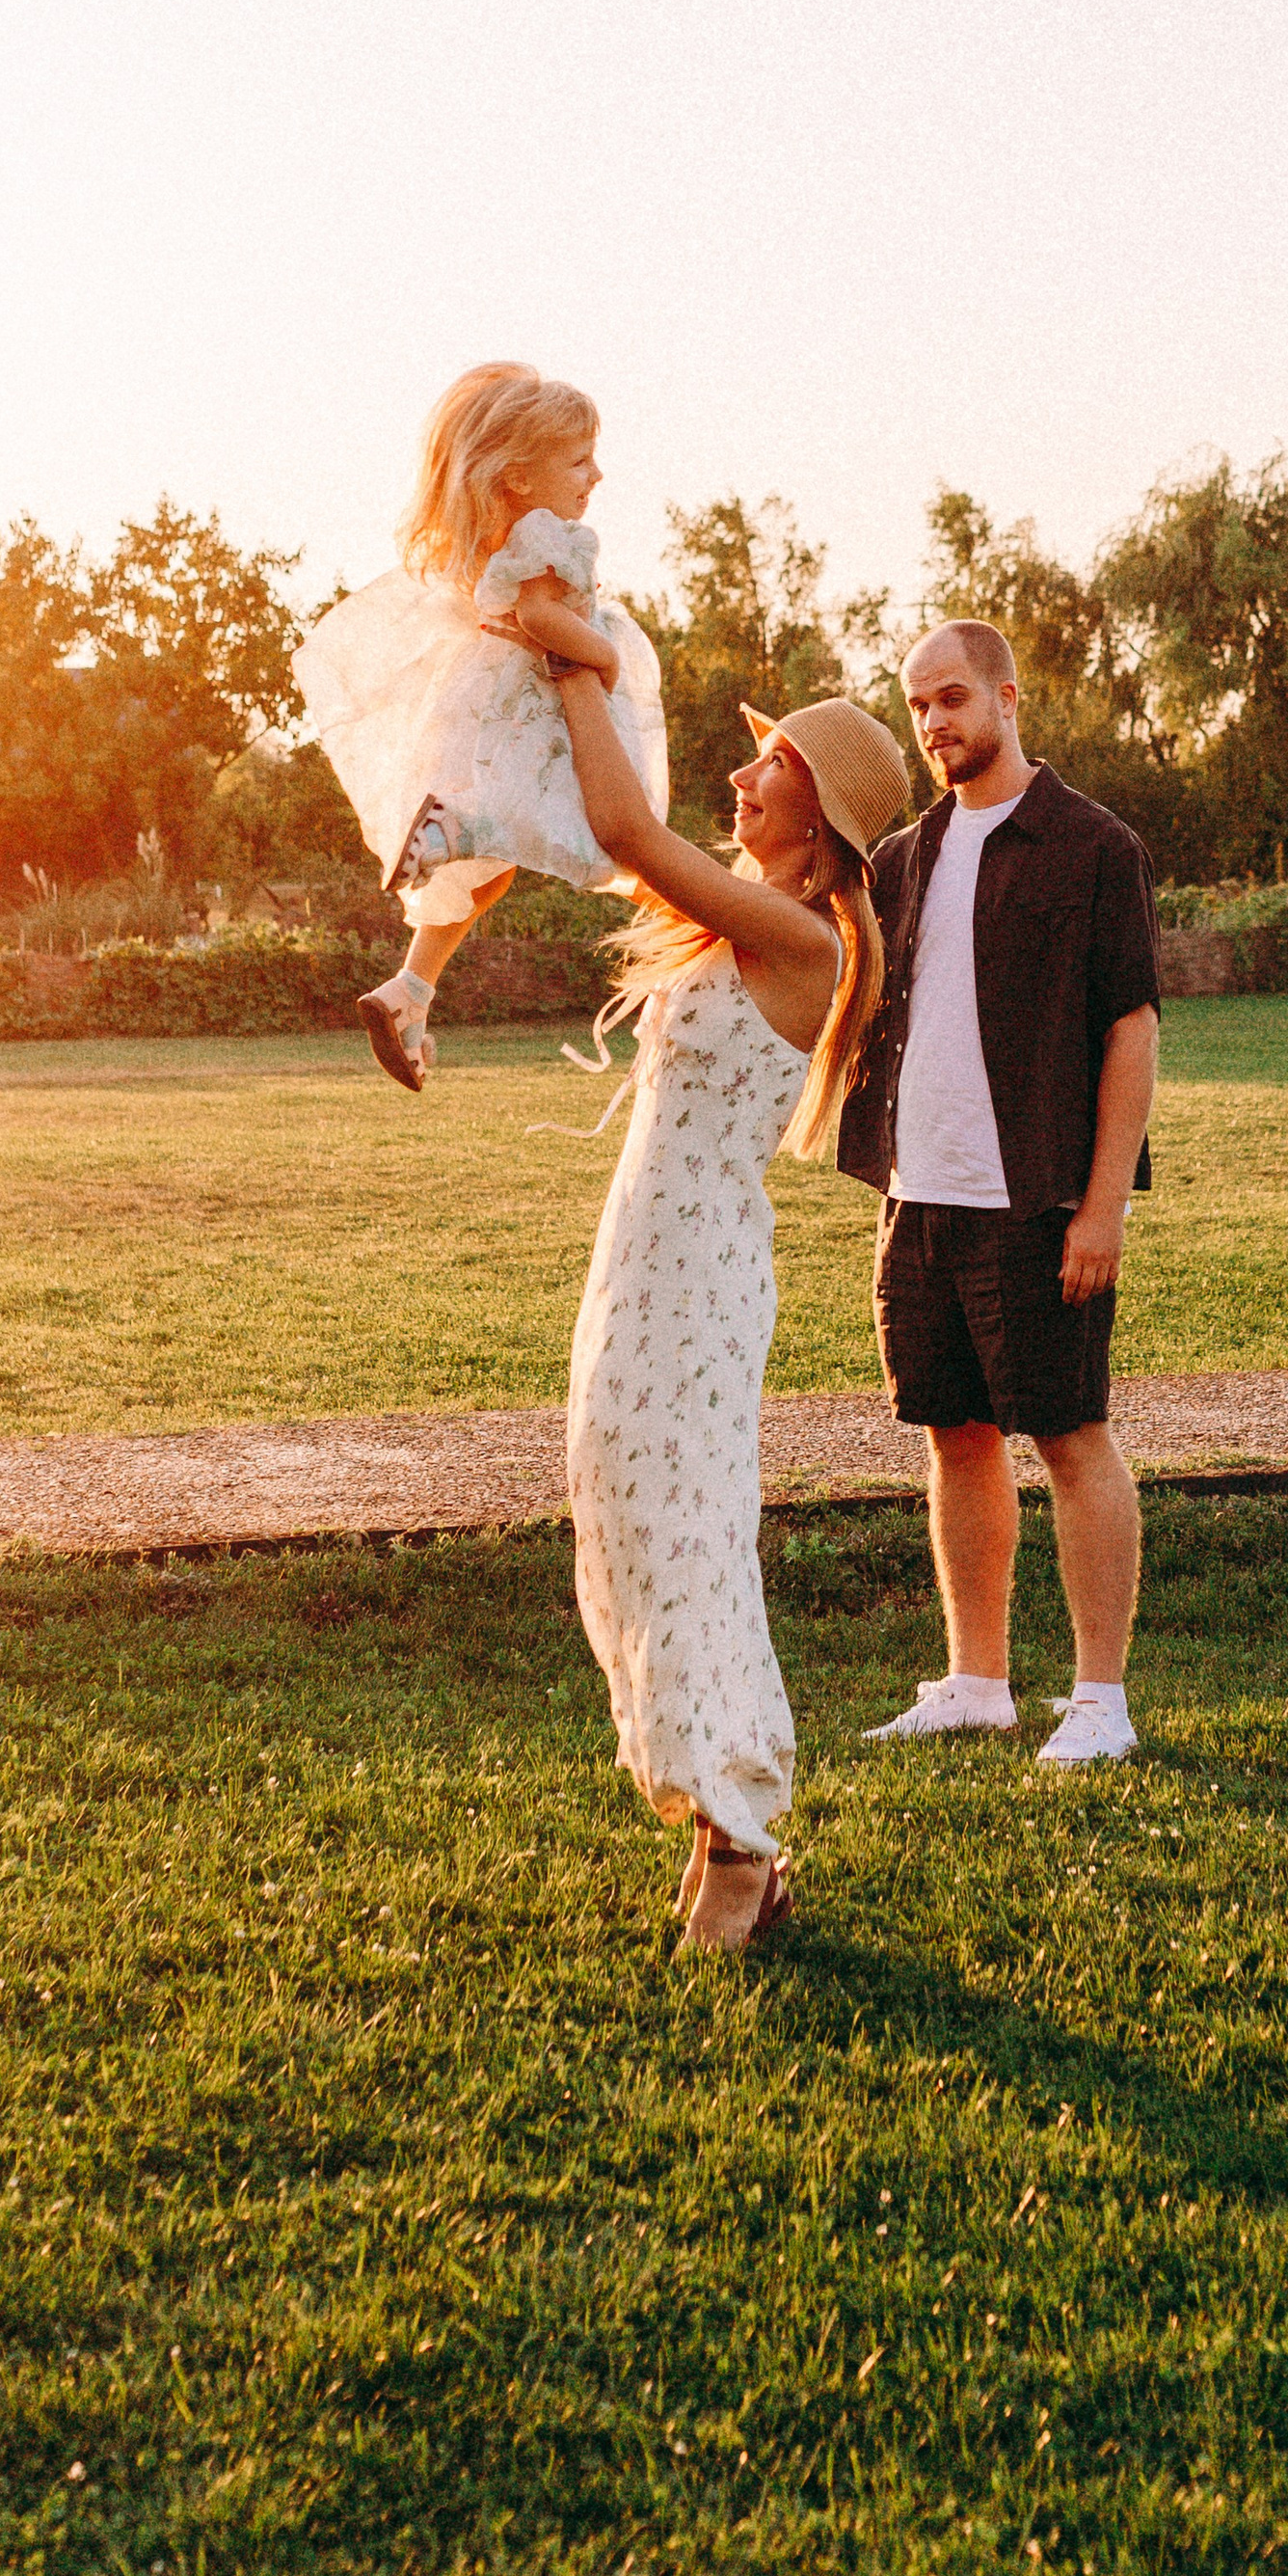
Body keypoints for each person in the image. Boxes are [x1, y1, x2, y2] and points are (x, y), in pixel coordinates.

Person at [552, 659, 912, 1945]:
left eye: (769, 764)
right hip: (640, 1254)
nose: (740, 777)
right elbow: (590, 829)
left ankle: (743, 1835)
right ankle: (722, 1824)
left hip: (697, 1264)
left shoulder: (806, 941)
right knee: (636, 1520)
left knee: (687, 1534)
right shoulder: (739, 919)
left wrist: (574, 664)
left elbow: (623, 829)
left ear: (818, 815)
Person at [837, 621, 1162, 1767]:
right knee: (955, 1435)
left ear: (1010, 699)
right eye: (918, 705)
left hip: (1035, 1204)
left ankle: (1099, 1702)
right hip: (917, 1199)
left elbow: (1130, 1027)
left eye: (953, 698)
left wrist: (1102, 1204)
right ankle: (977, 1682)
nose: (934, 723)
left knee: (1071, 1437)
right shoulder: (903, 858)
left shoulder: (1090, 844)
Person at [291, 363, 668, 1094]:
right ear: (520, 477)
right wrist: (603, 653)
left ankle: (411, 989)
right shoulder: (544, 535)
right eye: (579, 459)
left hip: (491, 699)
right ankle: (457, 831)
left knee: (488, 878)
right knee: (610, 841)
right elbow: (539, 617)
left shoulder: (506, 533)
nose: (597, 473)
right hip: (533, 700)